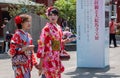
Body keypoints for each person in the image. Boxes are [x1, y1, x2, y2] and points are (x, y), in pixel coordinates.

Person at [37, 6, 72, 78]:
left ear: (58, 16)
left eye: (55, 15)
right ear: (48, 16)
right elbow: (42, 45)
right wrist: (41, 61)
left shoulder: (58, 27)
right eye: (51, 15)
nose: (53, 17)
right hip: (48, 57)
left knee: (56, 74)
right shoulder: (46, 28)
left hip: (56, 57)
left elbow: (57, 42)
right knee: (48, 74)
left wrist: (64, 41)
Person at [8, 14, 39, 78]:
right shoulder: (17, 35)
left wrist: (35, 62)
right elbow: (12, 51)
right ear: (21, 23)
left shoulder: (28, 35)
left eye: (30, 21)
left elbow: (31, 51)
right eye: (27, 21)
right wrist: (24, 48)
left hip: (27, 64)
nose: (29, 23)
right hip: (20, 64)